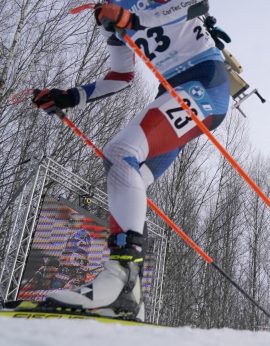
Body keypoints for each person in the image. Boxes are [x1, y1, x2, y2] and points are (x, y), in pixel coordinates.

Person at [31, 0, 229, 321]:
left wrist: (133, 18)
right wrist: (70, 95)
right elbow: (121, 76)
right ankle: (131, 294)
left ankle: (121, 279)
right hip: (170, 92)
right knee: (128, 176)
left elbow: (196, 5)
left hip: (205, 83)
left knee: (121, 153)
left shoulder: (125, 11)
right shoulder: (112, 11)